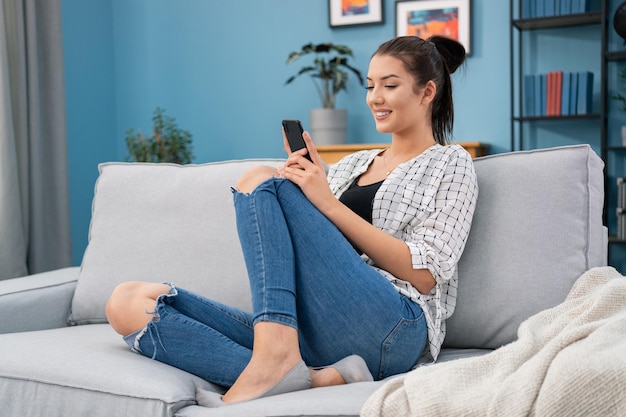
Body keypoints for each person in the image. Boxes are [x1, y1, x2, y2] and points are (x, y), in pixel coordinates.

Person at [105, 35, 478, 406]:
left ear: (427, 92)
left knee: (257, 179)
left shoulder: (450, 162)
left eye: (389, 85)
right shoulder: (351, 165)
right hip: (313, 326)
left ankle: (275, 352)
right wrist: (309, 193)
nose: (374, 98)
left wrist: (329, 205)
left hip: (394, 325)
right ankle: (308, 376)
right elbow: (315, 251)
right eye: (370, 86)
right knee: (128, 303)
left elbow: (425, 275)